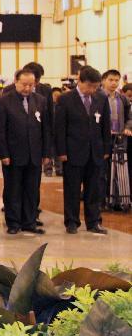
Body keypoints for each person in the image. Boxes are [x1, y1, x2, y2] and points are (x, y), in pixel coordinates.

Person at [54, 65, 112, 235]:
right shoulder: (65, 99)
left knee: (94, 189)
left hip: (96, 151)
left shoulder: (101, 99)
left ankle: (94, 222)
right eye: (89, 86)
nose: (92, 90)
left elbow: (105, 126)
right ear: (79, 81)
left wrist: (106, 148)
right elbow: (60, 128)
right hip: (73, 152)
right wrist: (61, 151)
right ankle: (72, 222)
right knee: (72, 189)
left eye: (95, 87)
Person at [0, 68, 51, 235]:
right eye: (24, 84)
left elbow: (46, 128)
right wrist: (3, 153)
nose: (27, 88)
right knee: (13, 189)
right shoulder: (4, 101)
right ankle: (13, 222)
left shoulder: (40, 100)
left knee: (32, 189)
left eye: (31, 85)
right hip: (12, 155)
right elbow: (0, 130)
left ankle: (29, 221)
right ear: (16, 82)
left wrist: (46, 153)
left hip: (35, 154)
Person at [101, 69, 132, 210]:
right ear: (103, 80)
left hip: (119, 140)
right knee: (102, 171)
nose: (114, 83)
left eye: (116, 80)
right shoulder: (97, 97)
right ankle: (102, 200)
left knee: (119, 171)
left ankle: (118, 200)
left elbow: (129, 118)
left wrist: (127, 128)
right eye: (111, 80)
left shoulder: (122, 98)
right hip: (102, 140)